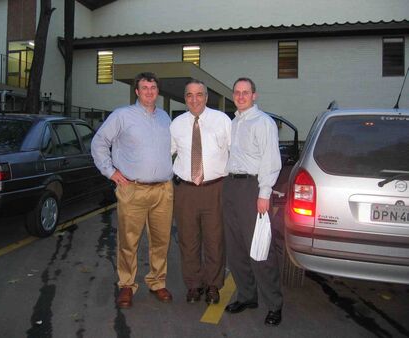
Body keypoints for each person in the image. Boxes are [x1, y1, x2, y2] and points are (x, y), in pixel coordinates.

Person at [91, 72, 174, 309]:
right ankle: (126, 285)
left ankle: (157, 282)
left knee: (161, 241)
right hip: (132, 189)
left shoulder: (165, 118)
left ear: (158, 91)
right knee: (129, 241)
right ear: (137, 92)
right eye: (144, 87)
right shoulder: (122, 116)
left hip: (163, 191)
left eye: (153, 87)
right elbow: (99, 143)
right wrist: (110, 171)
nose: (149, 91)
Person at [223, 77, 283, 326]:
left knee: (260, 249)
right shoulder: (234, 122)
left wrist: (264, 194)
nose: (241, 96)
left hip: (252, 188)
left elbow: (271, 160)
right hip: (231, 187)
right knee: (236, 248)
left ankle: (275, 305)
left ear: (254, 95)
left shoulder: (263, 122)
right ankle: (248, 296)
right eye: (237, 92)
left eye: (245, 92)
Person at [170, 79, 231, 304]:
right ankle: (194, 285)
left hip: (215, 189)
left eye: (199, 94)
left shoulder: (223, 120)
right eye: (189, 95)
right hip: (185, 191)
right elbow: (165, 152)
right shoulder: (176, 124)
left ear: (206, 97)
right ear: (184, 98)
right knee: (188, 240)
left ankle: (213, 285)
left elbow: (236, 152)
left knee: (215, 240)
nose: (194, 99)